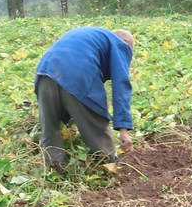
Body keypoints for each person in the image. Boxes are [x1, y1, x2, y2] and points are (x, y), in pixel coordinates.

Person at [34, 26, 134, 168]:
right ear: (125, 42)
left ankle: (54, 171)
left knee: (50, 130)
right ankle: (108, 167)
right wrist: (124, 130)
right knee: (96, 126)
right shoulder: (118, 43)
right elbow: (121, 85)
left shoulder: (89, 36)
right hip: (77, 76)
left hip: (44, 73)